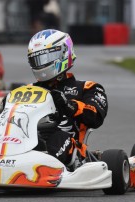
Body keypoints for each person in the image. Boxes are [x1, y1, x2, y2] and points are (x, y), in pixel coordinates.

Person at [27, 29, 108, 171]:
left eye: (46, 58)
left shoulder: (87, 88)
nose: (41, 64)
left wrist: (68, 105)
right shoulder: (28, 90)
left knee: (56, 139)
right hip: (26, 140)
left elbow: (95, 118)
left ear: (64, 53)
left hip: (68, 146)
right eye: (38, 59)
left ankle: (44, 161)